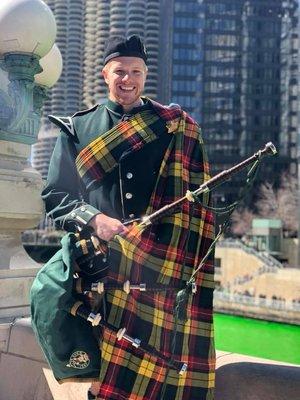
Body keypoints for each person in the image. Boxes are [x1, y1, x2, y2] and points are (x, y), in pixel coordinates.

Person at [41, 35, 215, 400]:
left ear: (145, 75)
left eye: (136, 71)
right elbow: (56, 196)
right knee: (105, 374)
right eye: (120, 71)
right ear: (105, 74)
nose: (128, 79)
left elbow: (197, 203)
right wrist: (95, 220)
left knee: (164, 372)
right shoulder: (78, 128)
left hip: (159, 269)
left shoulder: (173, 127)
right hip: (100, 268)